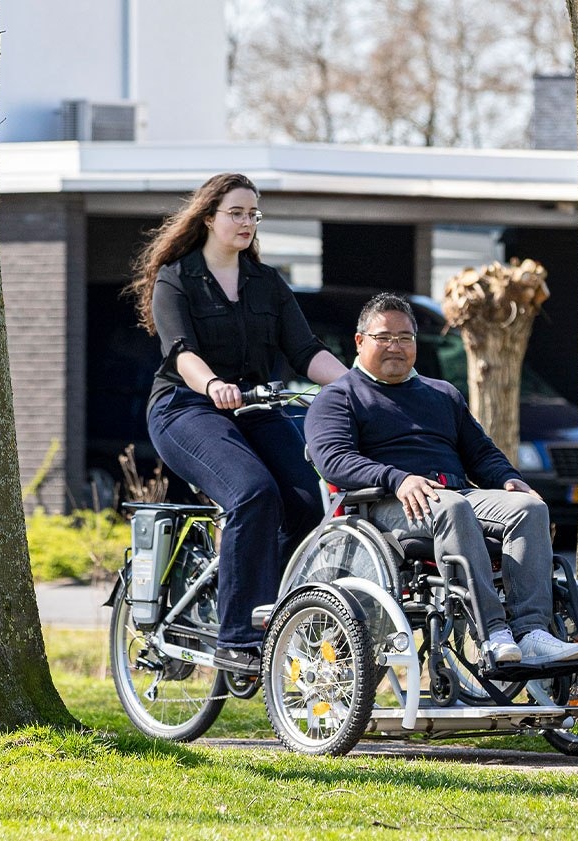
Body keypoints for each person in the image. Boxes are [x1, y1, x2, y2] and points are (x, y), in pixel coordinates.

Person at [127, 172, 348, 675]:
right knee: (252, 491)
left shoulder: (266, 283)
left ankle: (275, 614)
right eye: (237, 213)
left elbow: (305, 350)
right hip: (186, 408)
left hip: (254, 406)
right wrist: (211, 385)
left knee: (305, 499)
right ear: (208, 218)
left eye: (253, 214)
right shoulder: (176, 278)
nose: (247, 222)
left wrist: (357, 386)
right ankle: (237, 635)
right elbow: (181, 353)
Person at [304, 292, 578, 667]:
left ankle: (532, 631)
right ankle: (493, 634)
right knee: (450, 505)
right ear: (360, 341)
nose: (395, 347)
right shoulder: (339, 397)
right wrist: (398, 479)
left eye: (405, 338)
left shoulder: (442, 394)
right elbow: (334, 460)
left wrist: (508, 479)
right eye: (383, 337)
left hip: (455, 494)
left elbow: (481, 453)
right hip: (386, 506)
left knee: (529, 507)